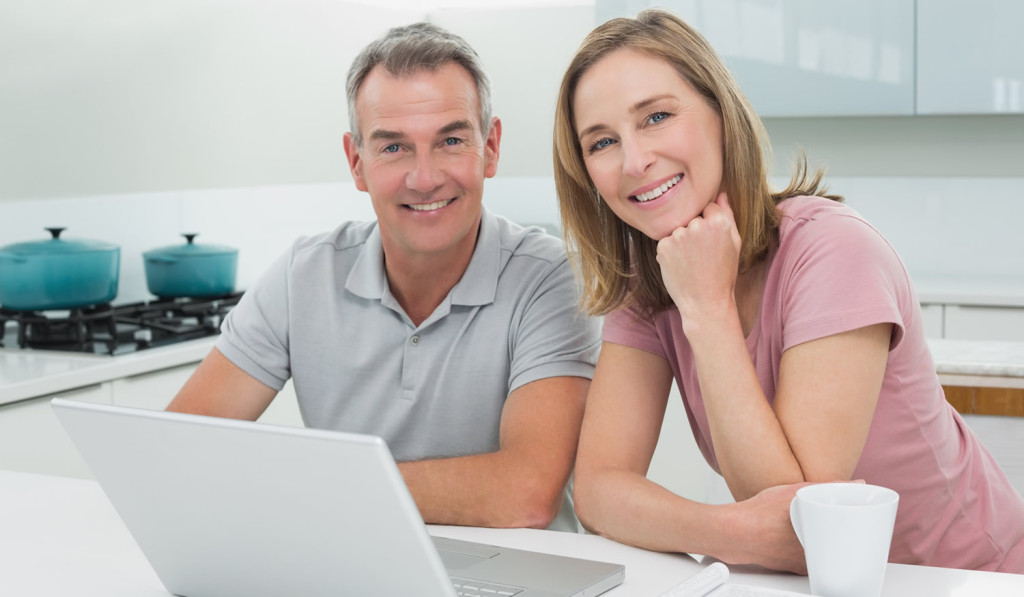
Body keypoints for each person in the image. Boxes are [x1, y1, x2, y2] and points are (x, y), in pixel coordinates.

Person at [552, 8, 1024, 573]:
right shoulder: (650, 276)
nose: (634, 160)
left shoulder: (833, 251)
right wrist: (725, 529)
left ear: (721, 115)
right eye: (601, 142)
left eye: (656, 116)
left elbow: (804, 528)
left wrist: (706, 306)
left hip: (959, 578)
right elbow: (601, 488)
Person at [168, 22, 600, 532]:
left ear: (490, 147)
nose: (425, 177)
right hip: (354, 561)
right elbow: (178, 450)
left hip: (517, 572)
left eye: (451, 140)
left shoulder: (551, 281)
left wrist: (312, 485)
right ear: (357, 162)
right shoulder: (302, 275)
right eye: (393, 147)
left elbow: (524, 495)